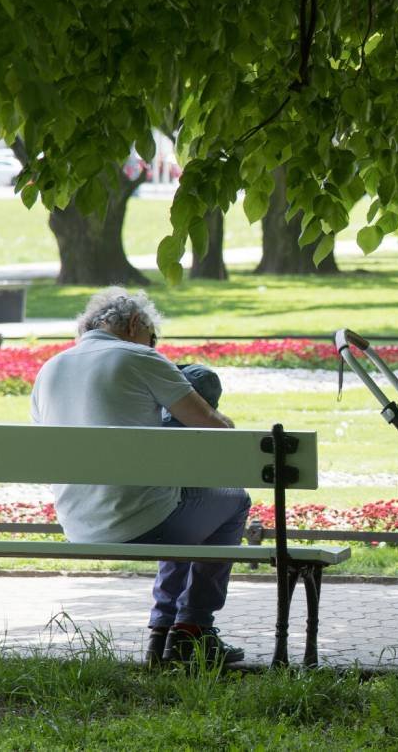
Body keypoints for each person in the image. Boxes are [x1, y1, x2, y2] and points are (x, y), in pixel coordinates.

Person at [30, 287, 250, 670]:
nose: (154, 346)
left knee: (174, 499)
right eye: (153, 338)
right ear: (135, 325)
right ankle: (192, 630)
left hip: (79, 525)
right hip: (140, 522)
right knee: (233, 501)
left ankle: (163, 633)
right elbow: (214, 429)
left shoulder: (50, 368)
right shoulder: (140, 357)